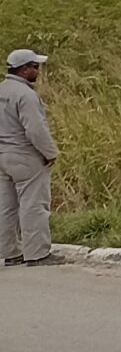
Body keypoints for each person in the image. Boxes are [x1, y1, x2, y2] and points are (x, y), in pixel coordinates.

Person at [0, 48, 60, 266]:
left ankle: (10, 252)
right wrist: (50, 153)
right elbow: (35, 129)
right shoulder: (26, 95)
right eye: (35, 67)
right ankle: (38, 254)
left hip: (2, 156)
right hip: (25, 155)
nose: (38, 70)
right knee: (33, 204)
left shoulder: (2, 90)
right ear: (24, 70)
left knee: (6, 206)